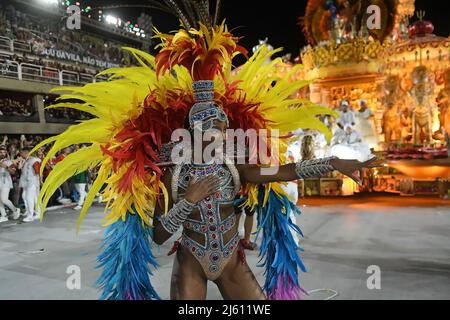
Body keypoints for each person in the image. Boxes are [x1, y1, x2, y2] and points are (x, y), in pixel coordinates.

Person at [35, 1, 377, 301]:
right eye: (209, 131)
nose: (217, 137)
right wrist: (189, 201)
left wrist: (331, 162)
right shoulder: (174, 170)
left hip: (231, 260)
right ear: (194, 133)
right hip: (191, 262)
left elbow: (281, 172)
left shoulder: (235, 164)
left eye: (220, 130)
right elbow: (158, 235)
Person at [19, 147, 42, 222]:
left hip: (32, 182)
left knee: (30, 198)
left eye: (21, 153)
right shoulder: (27, 160)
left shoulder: (34, 160)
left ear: (26, 152)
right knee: (32, 197)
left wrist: (39, 182)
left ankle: (30, 215)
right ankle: (38, 213)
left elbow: (38, 172)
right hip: (27, 182)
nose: (20, 154)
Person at [0, 145, 21, 222]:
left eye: (3, 152)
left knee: (4, 199)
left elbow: (13, 171)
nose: (2, 154)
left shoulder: (8, 162)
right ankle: (4, 215)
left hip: (6, 183)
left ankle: (15, 210)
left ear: (6, 153)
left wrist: (5, 167)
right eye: (0, 152)